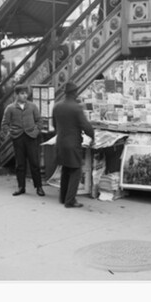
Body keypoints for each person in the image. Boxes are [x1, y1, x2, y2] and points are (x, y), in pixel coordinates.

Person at [51, 81, 95, 209]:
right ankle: (70, 201)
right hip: (73, 143)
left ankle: (63, 197)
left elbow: (54, 125)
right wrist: (92, 136)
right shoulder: (76, 108)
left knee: (65, 169)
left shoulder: (57, 106)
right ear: (74, 93)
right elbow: (85, 125)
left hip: (60, 142)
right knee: (75, 171)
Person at [3, 85, 45, 197]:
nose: (25, 95)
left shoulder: (32, 106)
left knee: (34, 163)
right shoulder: (10, 108)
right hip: (18, 138)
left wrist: (35, 132)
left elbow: (39, 121)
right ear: (16, 95)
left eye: (26, 93)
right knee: (20, 164)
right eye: (22, 93)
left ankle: (39, 187)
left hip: (31, 137)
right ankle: (21, 187)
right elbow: (5, 124)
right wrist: (11, 133)